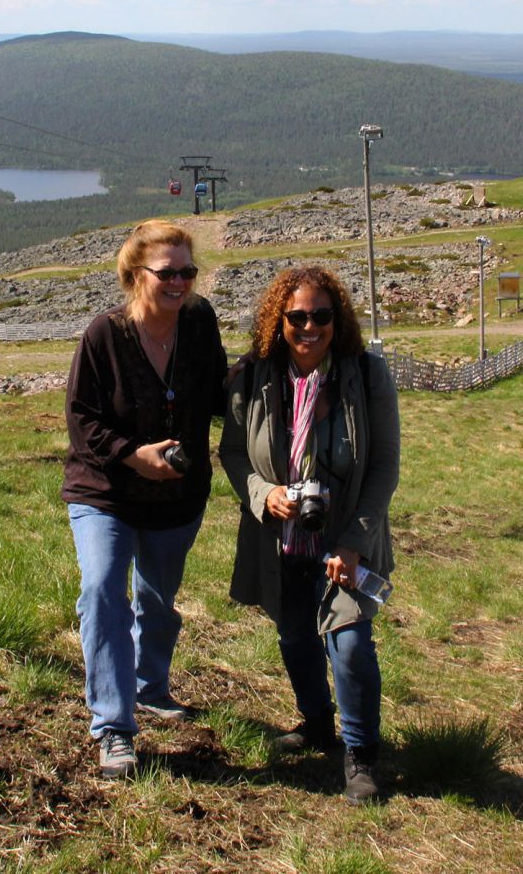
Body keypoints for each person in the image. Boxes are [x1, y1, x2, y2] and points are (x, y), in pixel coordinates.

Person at [218, 265, 400, 803]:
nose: (309, 327)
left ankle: (362, 753)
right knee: (295, 635)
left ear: (336, 320)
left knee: (348, 644)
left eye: (322, 316)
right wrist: (263, 495)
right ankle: (317, 722)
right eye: (297, 316)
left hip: (345, 541)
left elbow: (384, 468)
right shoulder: (254, 377)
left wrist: (353, 542)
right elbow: (232, 453)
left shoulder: (366, 375)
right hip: (281, 540)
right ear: (280, 321)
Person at [62, 220, 228, 778]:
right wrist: (135, 454)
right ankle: (113, 727)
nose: (180, 283)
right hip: (105, 490)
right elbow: (81, 420)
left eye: (188, 272)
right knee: (102, 590)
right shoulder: (103, 335)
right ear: (136, 276)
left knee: (157, 600)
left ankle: (150, 686)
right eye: (168, 273)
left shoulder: (200, 323)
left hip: (178, 496)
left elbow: (218, 392)